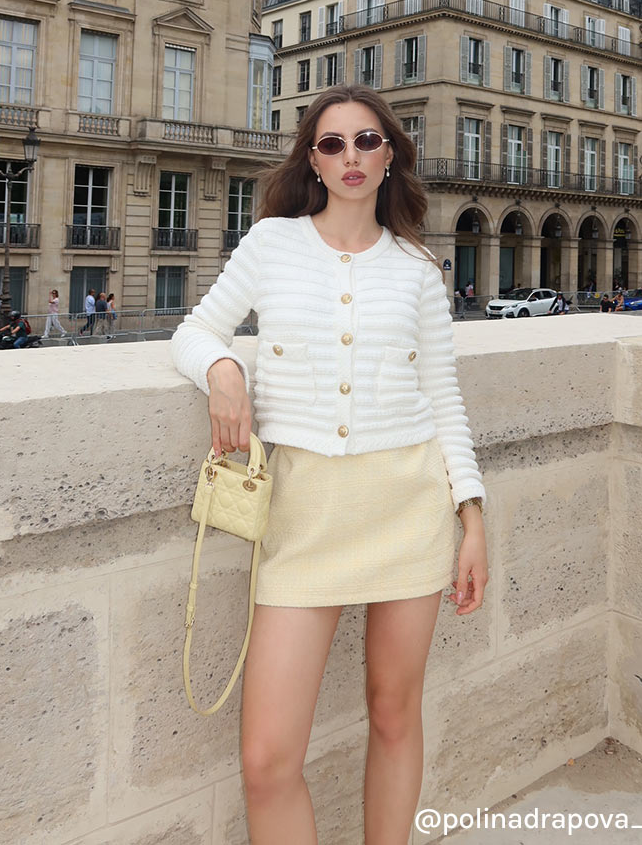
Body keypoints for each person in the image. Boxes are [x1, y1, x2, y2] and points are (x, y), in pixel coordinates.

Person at [172, 84, 488, 844]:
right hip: (304, 513)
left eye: (367, 141)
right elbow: (194, 331)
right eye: (332, 143)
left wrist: (471, 516)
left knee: (392, 713)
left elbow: (443, 396)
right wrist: (223, 372)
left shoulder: (417, 267)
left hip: (407, 507)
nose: (351, 157)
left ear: (390, 156)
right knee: (267, 758)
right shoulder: (273, 244)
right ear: (312, 160)